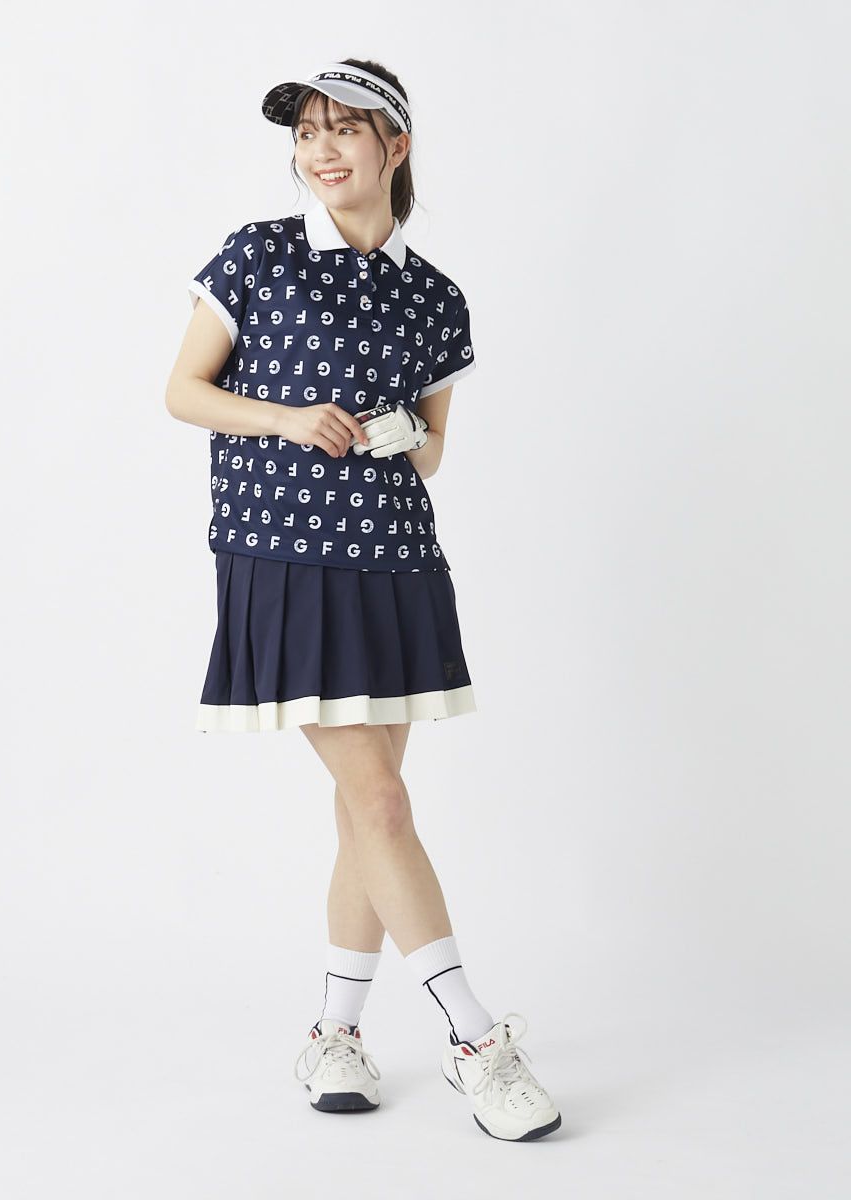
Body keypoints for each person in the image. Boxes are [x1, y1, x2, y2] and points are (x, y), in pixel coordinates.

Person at [164, 58, 561, 1142]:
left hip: (395, 559)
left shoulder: (436, 297)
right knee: (381, 802)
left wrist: (401, 431)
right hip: (283, 553)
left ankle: (336, 1034)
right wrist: (289, 418)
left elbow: (430, 454)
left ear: (397, 146)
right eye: (306, 132)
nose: (320, 149)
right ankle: (476, 1040)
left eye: (343, 128)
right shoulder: (258, 256)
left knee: (364, 809)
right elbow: (183, 391)